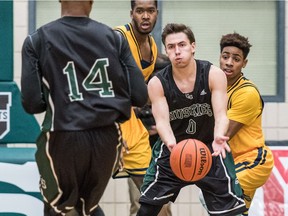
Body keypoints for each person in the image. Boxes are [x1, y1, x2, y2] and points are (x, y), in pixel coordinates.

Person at [20, 1, 148, 215]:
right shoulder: (115, 39)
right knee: (88, 207)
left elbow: (32, 103)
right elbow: (140, 96)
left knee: (58, 208)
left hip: (65, 135)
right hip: (107, 139)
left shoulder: (37, 40)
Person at [136, 23, 247, 216]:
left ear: (193, 46)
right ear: (166, 50)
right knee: (146, 209)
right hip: (173, 149)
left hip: (211, 149)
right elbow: (162, 121)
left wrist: (220, 136)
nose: (177, 51)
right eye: (171, 47)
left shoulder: (213, 74)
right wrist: (171, 144)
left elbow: (221, 115)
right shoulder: (157, 83)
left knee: (233, 212)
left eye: (182, 45)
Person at [114, 1, 171, 216]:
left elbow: (139, 93)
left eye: (150, 11)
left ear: (157, 13)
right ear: (132, 14)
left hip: (135, 130)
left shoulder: (153, 48)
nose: (145, 16)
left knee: (156, 202)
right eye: (140, 11)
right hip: (108, 126)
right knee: (82, 199)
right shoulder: (118, 37)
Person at [219, 32, 274, 215]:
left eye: (236, 59)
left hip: (253, 160)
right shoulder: (216, 86)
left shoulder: (246, 93)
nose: (229, 62)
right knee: (235, 211)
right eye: (225, 56)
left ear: (244, 63)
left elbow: (223, 135)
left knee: (221, 191)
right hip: (233, 162)